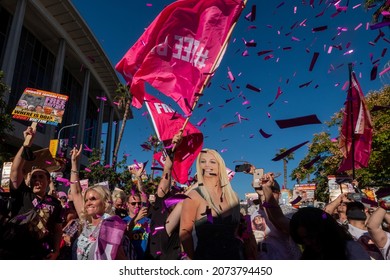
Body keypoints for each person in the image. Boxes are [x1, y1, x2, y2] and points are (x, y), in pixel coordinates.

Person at [0, 125, 62, 259]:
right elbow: (15, 170)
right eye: (34, 177)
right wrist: (26, 144)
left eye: (41, 177)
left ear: (48, 180)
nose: (37, 180)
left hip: (39, 254)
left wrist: (56, 250)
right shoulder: (23, 193)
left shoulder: (55, 203)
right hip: (13, 251)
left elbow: (57, 230)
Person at [180, 148, 243, 260]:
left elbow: (235, 233)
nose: (207, 165)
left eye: (212, 162)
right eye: (202, 161)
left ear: (220, 166)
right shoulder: (193, 196)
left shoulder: (234, 197)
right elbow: (185, 233)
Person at [69, 146, 127, 260]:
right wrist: (74, 163)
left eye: (93, 199)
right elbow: (75, 192)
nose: (88, 203)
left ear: (105, 202)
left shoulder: (112, 227)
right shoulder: (86, 221)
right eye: (86, 200)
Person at [123, 192, 150, 260]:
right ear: (127, 205)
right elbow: (125, 238)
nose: (137, 206)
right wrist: (136, 219)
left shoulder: (148, 221)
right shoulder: (123, 222)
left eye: (139, 203)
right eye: (133, 203)